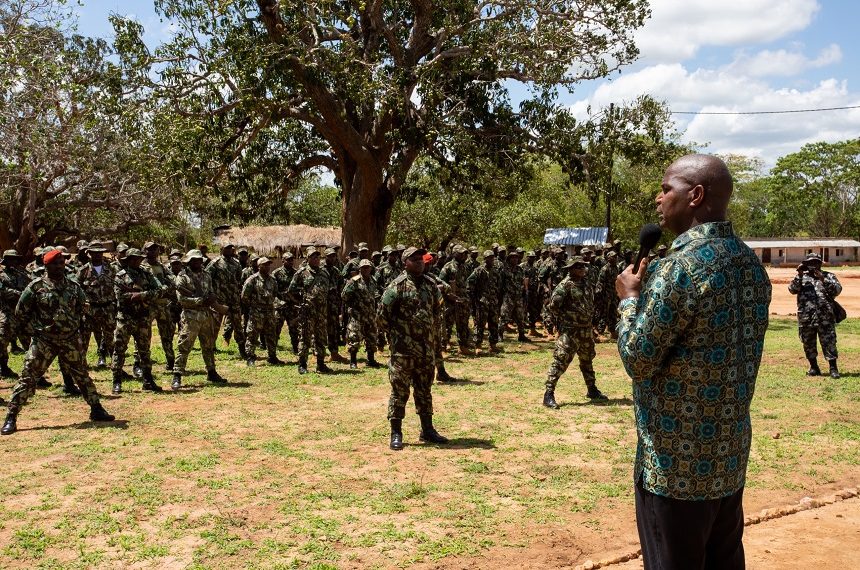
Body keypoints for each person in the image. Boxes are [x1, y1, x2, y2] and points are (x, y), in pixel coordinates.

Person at [616, 154, 772, 570]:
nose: (658, 198)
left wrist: (630, 301)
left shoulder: (680, 269)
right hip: (727, 460)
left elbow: (637, 358)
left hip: (675, 470)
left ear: (696, 195)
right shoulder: (749, 264)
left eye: (667, 189)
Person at [1, 249, 115, 435]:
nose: (60, 266)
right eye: (55, 263)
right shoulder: (35, 287)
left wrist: (73, 325)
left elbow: (82, 307)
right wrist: (37, 330)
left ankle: (96, 409)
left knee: (82, 375)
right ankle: (11, 416)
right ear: (46, 265)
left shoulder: (73, 286)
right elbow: (21, 312)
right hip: (44, 342)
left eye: (62, 263)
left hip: (69, 340)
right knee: (28, 378)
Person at [378, 246, 447, 450]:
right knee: (400, 392)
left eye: (421, 259)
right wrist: (399, 335)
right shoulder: (395, 287)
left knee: (424, 390)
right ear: (405, 263)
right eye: (414, 259)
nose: (419, 262)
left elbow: (437, 311)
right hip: (403, 352)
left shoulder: (430, 285)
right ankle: (396, 432)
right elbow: (382, 318)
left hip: (425, 350)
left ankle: (427, 429)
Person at [543, 256, 607, 409]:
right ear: (571, 269)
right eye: (578, 266)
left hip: (585, 330)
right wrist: (566, 320)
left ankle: (592, 390)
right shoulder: (564, 286)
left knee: (587, 361)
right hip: (570, 331)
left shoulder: (586, 283)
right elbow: (553, 307)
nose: (582, 269)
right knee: (560, 361)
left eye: (583, 266)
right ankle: (548, 394)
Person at [112, 248, 167, 393]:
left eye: (139, 258)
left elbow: (161, 290)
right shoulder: (120, 276)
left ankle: (148, 381)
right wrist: (133, 296)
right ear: (129, 259)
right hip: (125, 318)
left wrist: (141, 295)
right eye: (134, 258)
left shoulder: (146, 274)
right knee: (119, 350)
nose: (138, 261)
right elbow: (120, 297)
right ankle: (117, 381)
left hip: (143, 318)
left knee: (144, 351)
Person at [172, 250, 228, 390]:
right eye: (194, 260)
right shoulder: (182, 277)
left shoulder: (207, 275)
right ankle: (177, 375)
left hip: (206, 316)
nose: (198, 262)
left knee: (208, 346)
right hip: (191, 317)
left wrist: (212, 299)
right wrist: (200, 300)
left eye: (199, 260)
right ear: (189, 261)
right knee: (184, 346)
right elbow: (182, 300)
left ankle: (212, 372)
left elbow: (209, 292)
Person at [788, 252, 843, 378]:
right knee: (808, 343)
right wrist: (799, 274)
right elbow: (792, 289)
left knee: (829, 342)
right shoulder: (801, 277)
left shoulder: (828, 276)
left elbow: (837, 290)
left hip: (825, 317)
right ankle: (814, 367)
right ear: (806, 264)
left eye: (816, 262)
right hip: (806, 318)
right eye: (810, 263)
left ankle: (833, 369)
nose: (813, 265)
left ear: (820, 263)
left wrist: (823, 279)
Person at [287, 247, 331, 374]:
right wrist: (300, 302)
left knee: (321, 338)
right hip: (307, 312)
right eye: (313, 257)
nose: (316, 259)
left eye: (318, 257)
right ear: (307, 259)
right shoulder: (301, 273)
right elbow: (291, 291)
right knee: (305, 338)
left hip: (321, 312)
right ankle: (302, 364)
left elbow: (326, 291)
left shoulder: (324, 273)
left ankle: (321, 364)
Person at [76, 241, 115, 368]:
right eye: (94, 253)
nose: (97, 255)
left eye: (100, 252)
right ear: (89, 254)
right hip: (90, 310)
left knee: (110, 338)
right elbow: (76, 289)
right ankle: (81, 366)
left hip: (108, 308)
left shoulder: (111, 269)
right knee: (84, 338)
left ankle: (115, 365)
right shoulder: (83, 271)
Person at [206, 243, 247, 358]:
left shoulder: (236, 263)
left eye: (231, 248)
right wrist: (211, 294)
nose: (230, 250)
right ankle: (211, 347)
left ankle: (242, 349)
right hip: (219, 299)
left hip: (234, 299)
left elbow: (239, 279)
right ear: (222, 249)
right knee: (215, 324)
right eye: (227, 248)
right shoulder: (215, 263)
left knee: (238, 324)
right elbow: (207, 278)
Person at [241, 256, 282, 366]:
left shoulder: (272, 280)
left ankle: (272, 357)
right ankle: (250, 357)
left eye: (269, 264)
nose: (268, 267)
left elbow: (275, 294)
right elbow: (244, 297)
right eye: (265, 265)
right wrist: (254, 306)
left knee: (271, 335)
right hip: (256, 312)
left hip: (269, 311)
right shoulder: (252, 279)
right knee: (252, 335)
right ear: (259, 267)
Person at [341, 259, 382, 369]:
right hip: (357, 315)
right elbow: (344, 295)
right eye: (364, 267)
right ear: (360, 269)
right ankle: (353, 361)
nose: (366, 269)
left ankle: (371, 359)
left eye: (368, 267)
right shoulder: (354, 281)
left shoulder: (373, 280)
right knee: (354, 337)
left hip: (370, 314)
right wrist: (353, 305)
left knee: (372, 336)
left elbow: (375, 295)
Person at [0, 250, 30, 378]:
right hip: (8, 313)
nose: (13, 262)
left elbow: (31, 288)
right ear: (5, 261)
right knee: (1, 342)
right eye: (10, 259)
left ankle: (33, 374)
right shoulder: (1, 275)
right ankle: (4, 368)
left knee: (31, 344)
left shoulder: (22, 274)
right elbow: (4, 292)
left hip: (23, 314)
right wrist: (21, 294)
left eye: (15, 259)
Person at [467, 251, 503, 353]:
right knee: (480, 324)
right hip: (482, 302)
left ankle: (492, 345)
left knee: (494, 323)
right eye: (489, 258)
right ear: (485, 259)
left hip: (493, 302)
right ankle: (478, 345)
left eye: (493, 258)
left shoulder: (495, 271)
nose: (491, 260)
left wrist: (497, 299)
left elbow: (499, 286)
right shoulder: (479, 270)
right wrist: (475, 299)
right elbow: (470, 284)